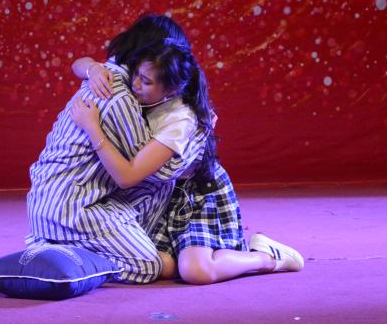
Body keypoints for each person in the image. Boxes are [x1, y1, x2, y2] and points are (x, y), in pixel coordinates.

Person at [72, 39, 304, 285]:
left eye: (146, 82)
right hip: (159, 196)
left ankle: (266, 257)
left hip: (194, 195)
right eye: (136, 75)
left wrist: (92, 128)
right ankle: (193, 252)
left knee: (196, 272)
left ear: (171, 90)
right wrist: (94, 69)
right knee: (158, 266)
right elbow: (78, 64)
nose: (135, 84)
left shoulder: (180, 119)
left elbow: (126, 176)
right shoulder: (146, 76)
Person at [25, 15, 205, 284]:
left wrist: (91, 67)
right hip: (70, 207)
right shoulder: (118, 96)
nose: (139, 84)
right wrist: (198, 137)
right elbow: (153, 172)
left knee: (150, 191)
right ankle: (64, 252)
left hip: (56, 199)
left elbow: (80, 64)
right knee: (153, 265)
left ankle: (61, 247)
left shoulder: (108, 73)